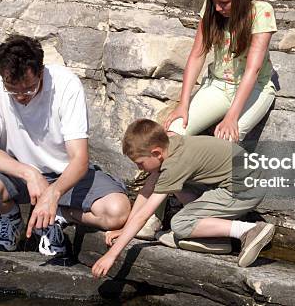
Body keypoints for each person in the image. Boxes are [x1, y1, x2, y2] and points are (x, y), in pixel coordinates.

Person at [0, 35, 131, 256]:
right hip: (15, 173)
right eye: (12, 90)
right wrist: (30, 174)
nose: (21, 97)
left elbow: (79, 159)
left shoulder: (66, 84)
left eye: (29, 89)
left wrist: (54, 193)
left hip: (63, 175)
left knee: (117, 212)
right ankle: (11, 218)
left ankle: (59, 214)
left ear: (41, 72)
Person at [91, 119, 275, 278]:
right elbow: (147, 190)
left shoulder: (174, 166)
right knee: (177, 185)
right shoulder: (170, 145)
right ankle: (216, 238)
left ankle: (249, 230)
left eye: (140, 163)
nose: (140, 168)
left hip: (246, 190)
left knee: (180, 223)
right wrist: (124, 229)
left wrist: (112, 255)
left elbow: (143, 215)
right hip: (242, 182)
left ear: (156, 153)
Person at [164, 0, 277, 143]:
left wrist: (232, 116)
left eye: (224, 2)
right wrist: (183, 104)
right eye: (214, 1)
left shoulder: (261, 11)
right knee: (174, 131)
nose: (217, 8)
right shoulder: (212, 8)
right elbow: (197, 54)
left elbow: (253, 69)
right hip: (218, 85)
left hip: (256, 88)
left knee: (224, 140)